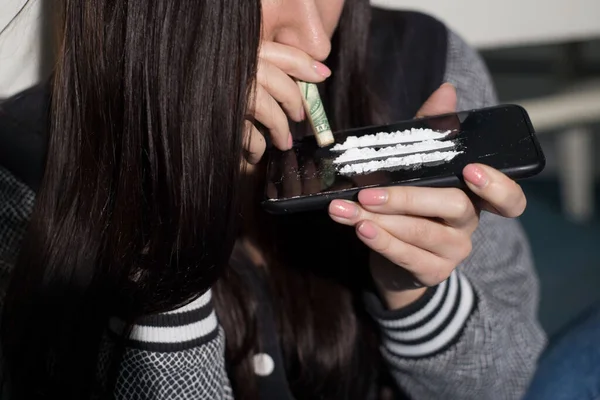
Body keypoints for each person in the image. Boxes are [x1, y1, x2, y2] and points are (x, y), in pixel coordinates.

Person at [0, 1, 546, 399]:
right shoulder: (25, 165)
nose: (315, 38)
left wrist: (414, 294)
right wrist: (171, 229)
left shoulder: (425, 58)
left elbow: (508, 381)